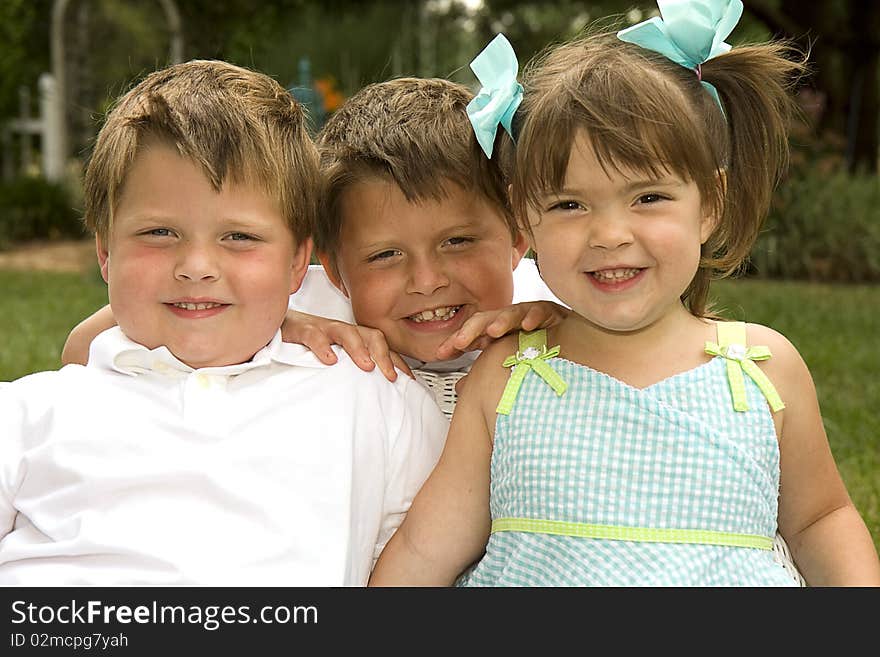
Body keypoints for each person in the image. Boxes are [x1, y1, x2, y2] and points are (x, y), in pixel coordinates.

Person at [369, 4, 880, 586]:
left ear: (710, 203)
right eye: (569, 205)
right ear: (524, 219)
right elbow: (424, 549)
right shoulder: (507, 375)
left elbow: (820, 519)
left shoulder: (763, 368)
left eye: (648, 198)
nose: (610, 235)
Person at [0, 59, 447, 585]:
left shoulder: (375, 402)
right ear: (105, 253)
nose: (196, 266)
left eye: (239, 237)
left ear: (299, 262)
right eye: (159, 233)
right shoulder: (28, 415)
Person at [61, 76, 568, 416]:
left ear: (518, 235)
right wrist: (278, 317)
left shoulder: (542, 309)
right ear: (335, 268)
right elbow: (81, 349)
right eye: (385, 255)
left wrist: (574, 329)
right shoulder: (319, 315)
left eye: (457, 242)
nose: (428, 280)